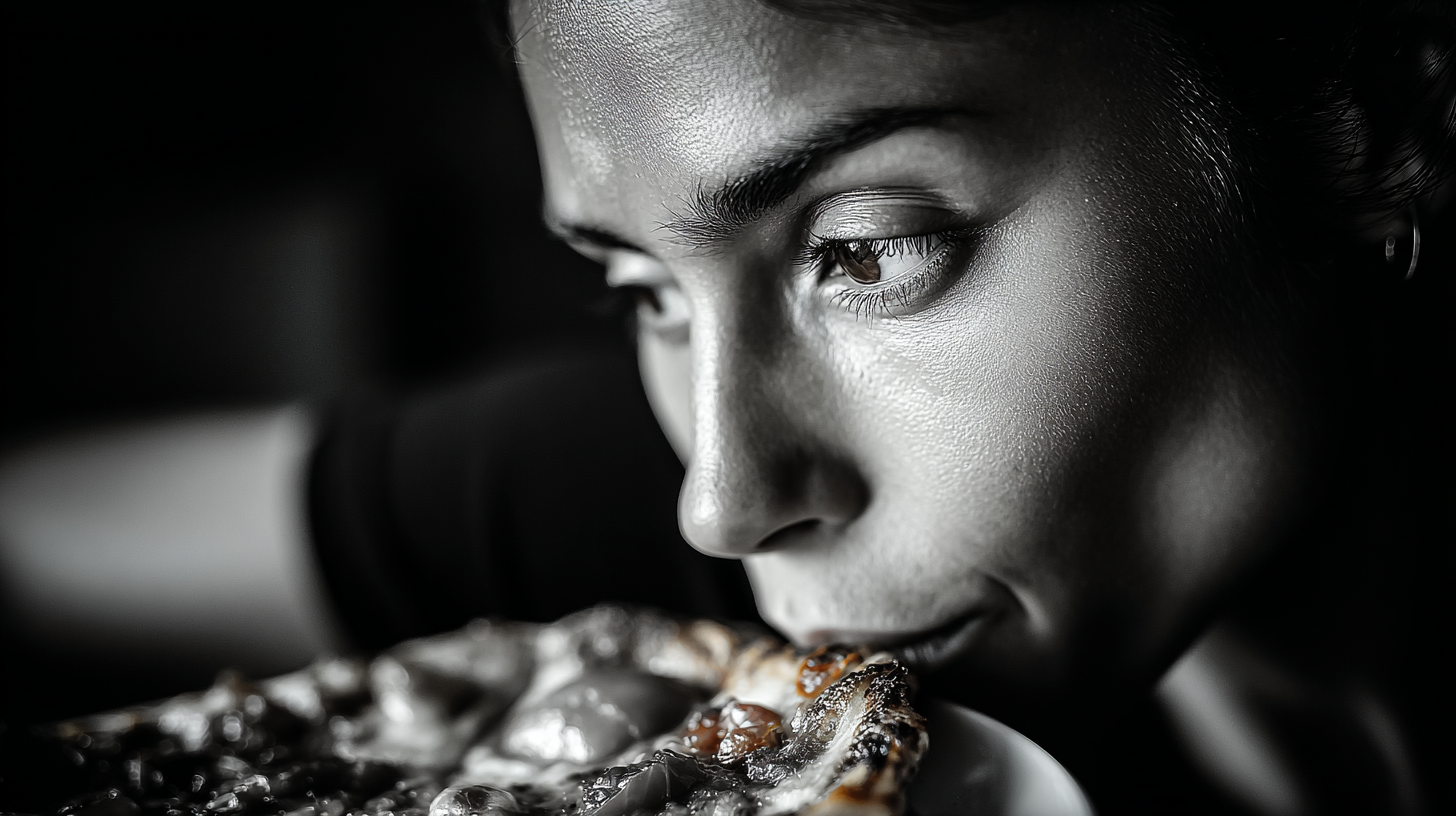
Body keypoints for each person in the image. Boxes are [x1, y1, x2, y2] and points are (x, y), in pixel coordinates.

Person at [1, 1, 1451, 813]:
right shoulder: (679, 645)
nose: (726, 492)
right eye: (646, 292)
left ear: (1370, 124)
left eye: (866, 251)